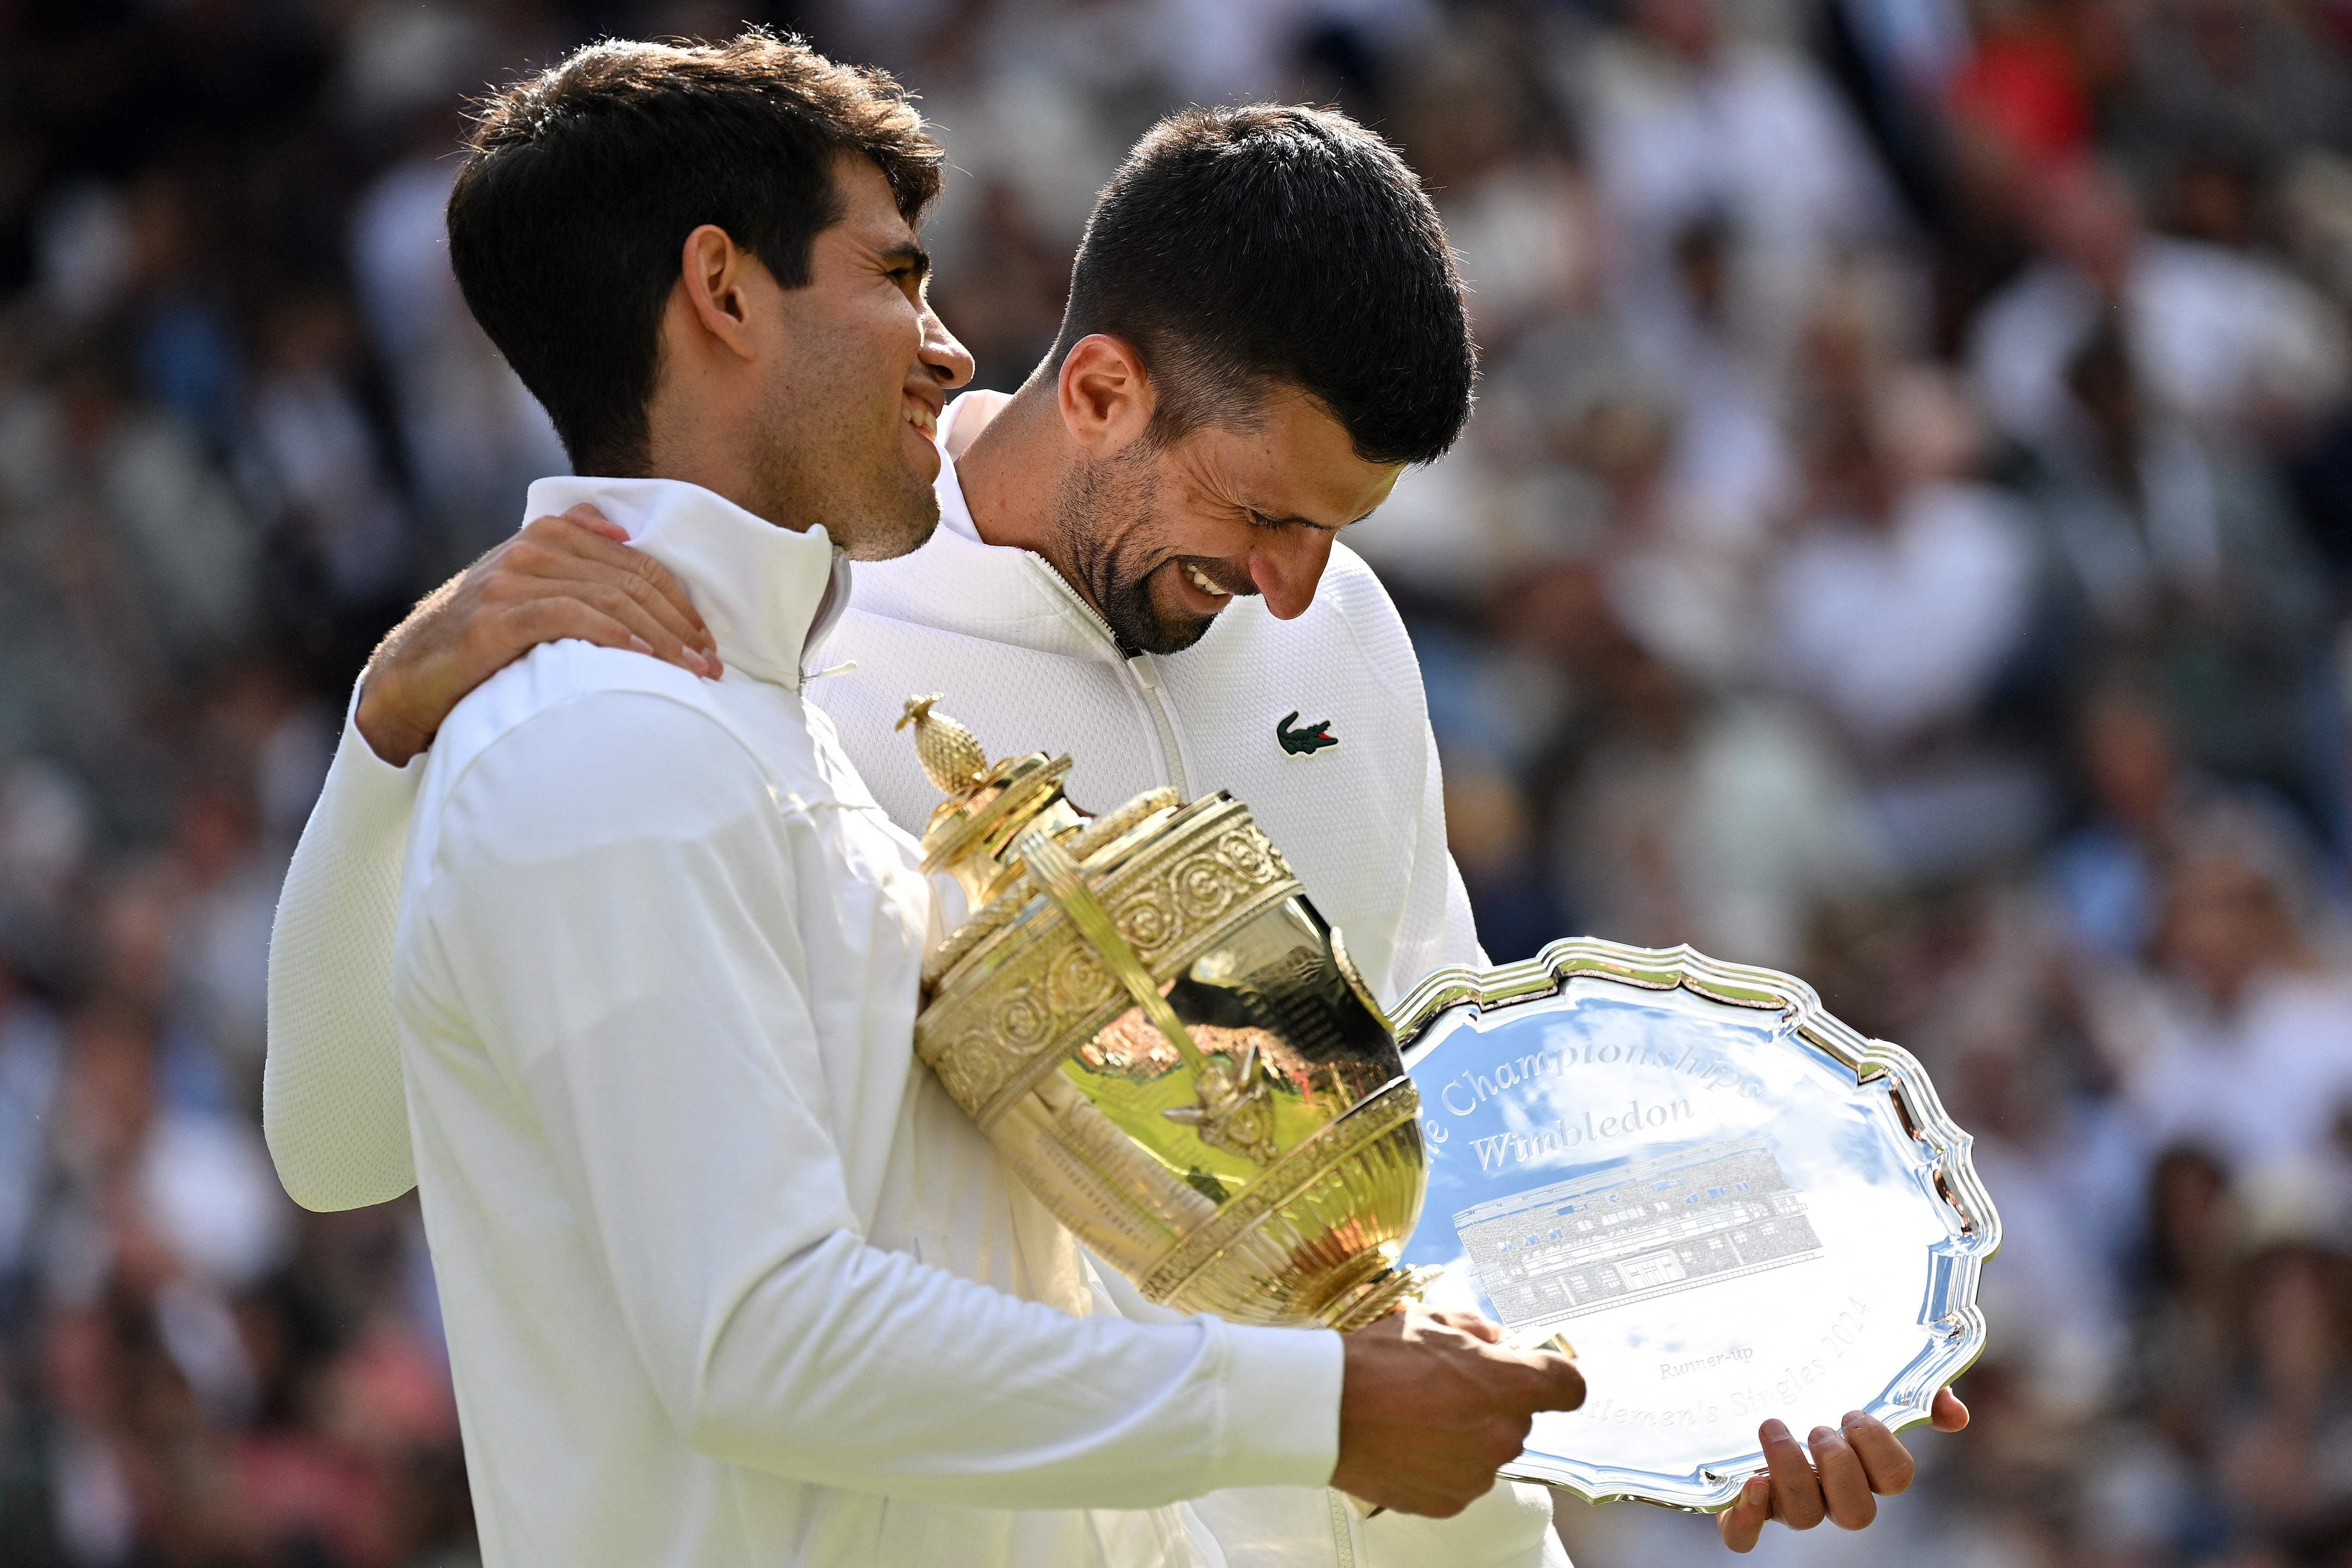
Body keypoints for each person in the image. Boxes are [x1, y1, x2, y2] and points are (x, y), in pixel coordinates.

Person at [266, 58, 1961, 1561]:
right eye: (1262, 512)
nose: (1300, 588)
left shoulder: (1312, 633)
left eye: (1339, 528)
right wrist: (387, 735)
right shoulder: (724, 693)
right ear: (1100, 394)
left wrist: (1720, 1375)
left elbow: (1430, 1125)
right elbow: (381, 1158)